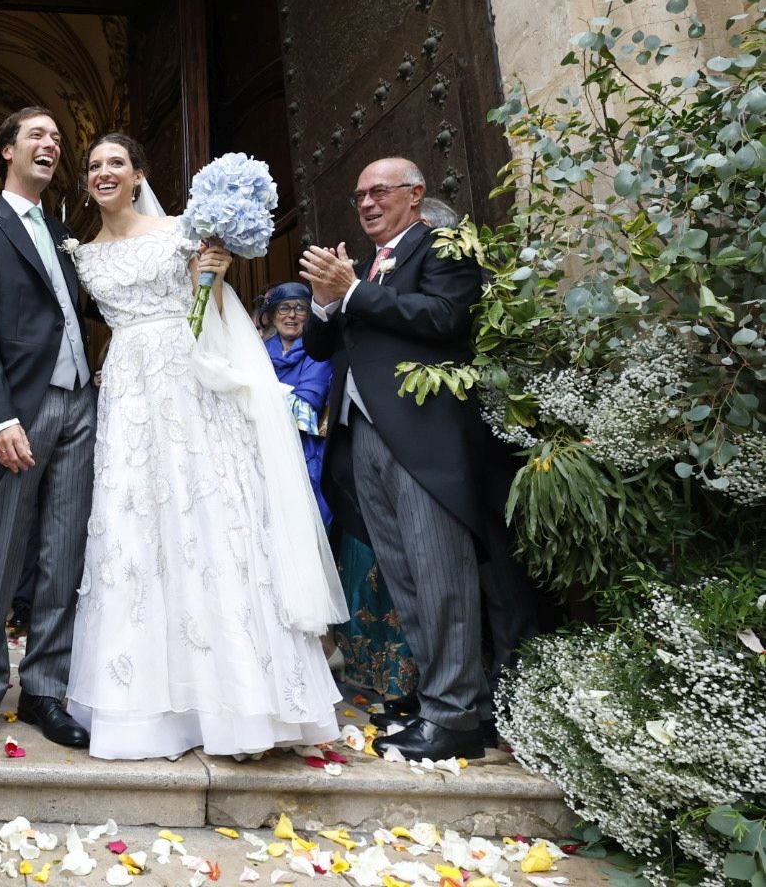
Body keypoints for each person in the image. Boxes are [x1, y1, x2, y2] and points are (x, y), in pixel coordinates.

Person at [62, 133, 344, 759]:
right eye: (94, 167)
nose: (104, 173)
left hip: (189, 383)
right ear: (86, 182)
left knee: (209, 522)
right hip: (130, 394)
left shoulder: (178, 233)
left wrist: (211, 279)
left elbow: (210, 307)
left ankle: (242, 706)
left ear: (138, 175)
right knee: (136, 532)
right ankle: (145, 709)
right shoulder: (81, 255)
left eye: (116, 163)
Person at [300, 156, 490, 761]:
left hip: (421, 439)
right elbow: (321, 344)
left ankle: (457, 716)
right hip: (364, 437)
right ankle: (434, 703)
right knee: (406, 578)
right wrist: (328, 300)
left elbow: (443, 317)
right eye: (359, 195)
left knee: (441, 578)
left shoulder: (441, 247)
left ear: (416, 193)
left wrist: (353, 291)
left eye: (379, 191)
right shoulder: (370, 265)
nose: (366, 203)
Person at [0, 107, 96, 754]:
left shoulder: (65, 234)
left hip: (80, 403)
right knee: (2, 557)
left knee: (62, 554)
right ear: (6, 149)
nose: (50, 145)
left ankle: (44, 689)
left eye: (57, 139)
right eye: (37, 135)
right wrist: (0, 417)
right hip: (23, 407)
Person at [261, 281, 332, 526]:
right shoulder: (257, 351)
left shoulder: (319, 351)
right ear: (270, 316)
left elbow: (304, 408)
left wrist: (259, 397)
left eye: (300, 308)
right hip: (266, 450)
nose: (292, 315)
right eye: (283, 308)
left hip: (306, 452)